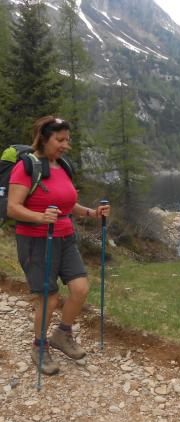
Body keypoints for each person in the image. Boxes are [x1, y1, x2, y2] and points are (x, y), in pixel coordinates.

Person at [7, 116, 111, 375]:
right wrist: (40, 217)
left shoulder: (62, 166)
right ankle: (39, 346)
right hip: (36, 241)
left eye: (68, 140)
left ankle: (62, 335)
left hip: (64, 237)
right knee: (49, 298)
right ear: (44, 138)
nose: (66, 145)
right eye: (60, 140)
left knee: (80, 289)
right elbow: (13, 207)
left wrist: (92, 213)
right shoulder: (27, 167)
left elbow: (67, 203)